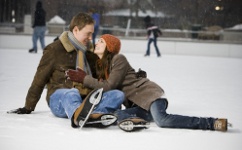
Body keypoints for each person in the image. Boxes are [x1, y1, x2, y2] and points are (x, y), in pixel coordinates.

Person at [66, 34, 229, 132]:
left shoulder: (118, 59)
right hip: (139, 105)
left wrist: (84, 78)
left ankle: (211, 123)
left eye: (101, 41)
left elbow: (109, 86)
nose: (97, 43)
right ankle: (142, 120)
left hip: (150, 95)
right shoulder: (103, 67)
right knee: (115, 116)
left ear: (110, 46)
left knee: (162, 120)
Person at [8, 13, 124, 128]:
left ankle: (94, 116)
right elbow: (39, 79)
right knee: (71, 93)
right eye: (88, 34)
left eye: (92, 34)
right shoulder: (55, 49)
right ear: (76, 30)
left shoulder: (90, 52)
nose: (90, 38)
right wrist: (28, 106)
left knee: (118, 95)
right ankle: (78, 116)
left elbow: (100, 78)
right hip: (60, 98)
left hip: (86, 100)